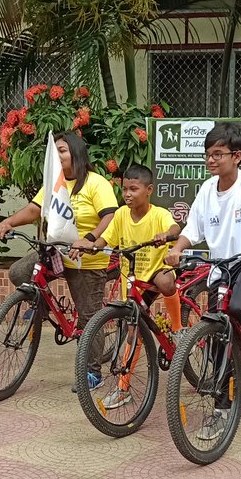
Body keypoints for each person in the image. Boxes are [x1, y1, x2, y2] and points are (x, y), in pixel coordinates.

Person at [166, 121, 241, 441]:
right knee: (220, 339)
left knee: (240, 306)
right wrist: (177, 249)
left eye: (218, 154)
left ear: (237, 156)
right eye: (208, 154)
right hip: (221, 268)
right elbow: (192, 230)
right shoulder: (207, 190)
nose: (211, 160)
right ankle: (221, 411)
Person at [0, 131, 116, 390]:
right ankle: (45, 308)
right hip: (57, 252)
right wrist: (7, 222)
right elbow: (34, 209)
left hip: (86, 260)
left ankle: (92, 373)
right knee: (19, 272)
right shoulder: (55, 183)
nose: (58, 156)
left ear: (76, 153)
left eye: (63, 150)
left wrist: (90, 239)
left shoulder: (96, 183)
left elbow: (110, 216)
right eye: (55, 151)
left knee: (89, 319)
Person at [73, 162, 181, 410]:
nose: (128, 194)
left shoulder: (158, 214)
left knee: (166, 282)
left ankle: (178, 328)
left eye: (134, 189)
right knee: (133, 332)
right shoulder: (121, 214)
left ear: (149, 190)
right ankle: (123, 389)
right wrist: (93, 245)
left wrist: (166, 235)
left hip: (154, 271)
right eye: (125, 190)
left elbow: (175, 227)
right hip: (132, 279)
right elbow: (105, 237)